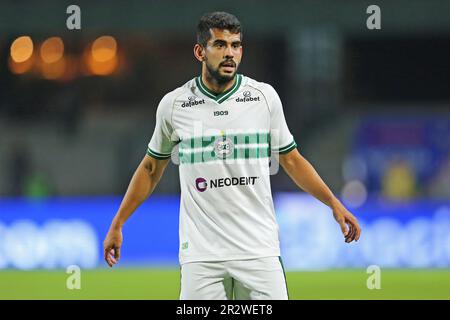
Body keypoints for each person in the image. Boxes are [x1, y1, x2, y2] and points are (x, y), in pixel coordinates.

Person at [103, 11, 361, 300]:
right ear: (200, 51)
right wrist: (118, 223)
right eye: (220, 45)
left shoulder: (264, 98)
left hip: (258, 251)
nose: (230, 54)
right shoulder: (174, 105)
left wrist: (333, 203)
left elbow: (291, 159)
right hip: (202, 257)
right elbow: (151, 169)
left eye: (236, 45)